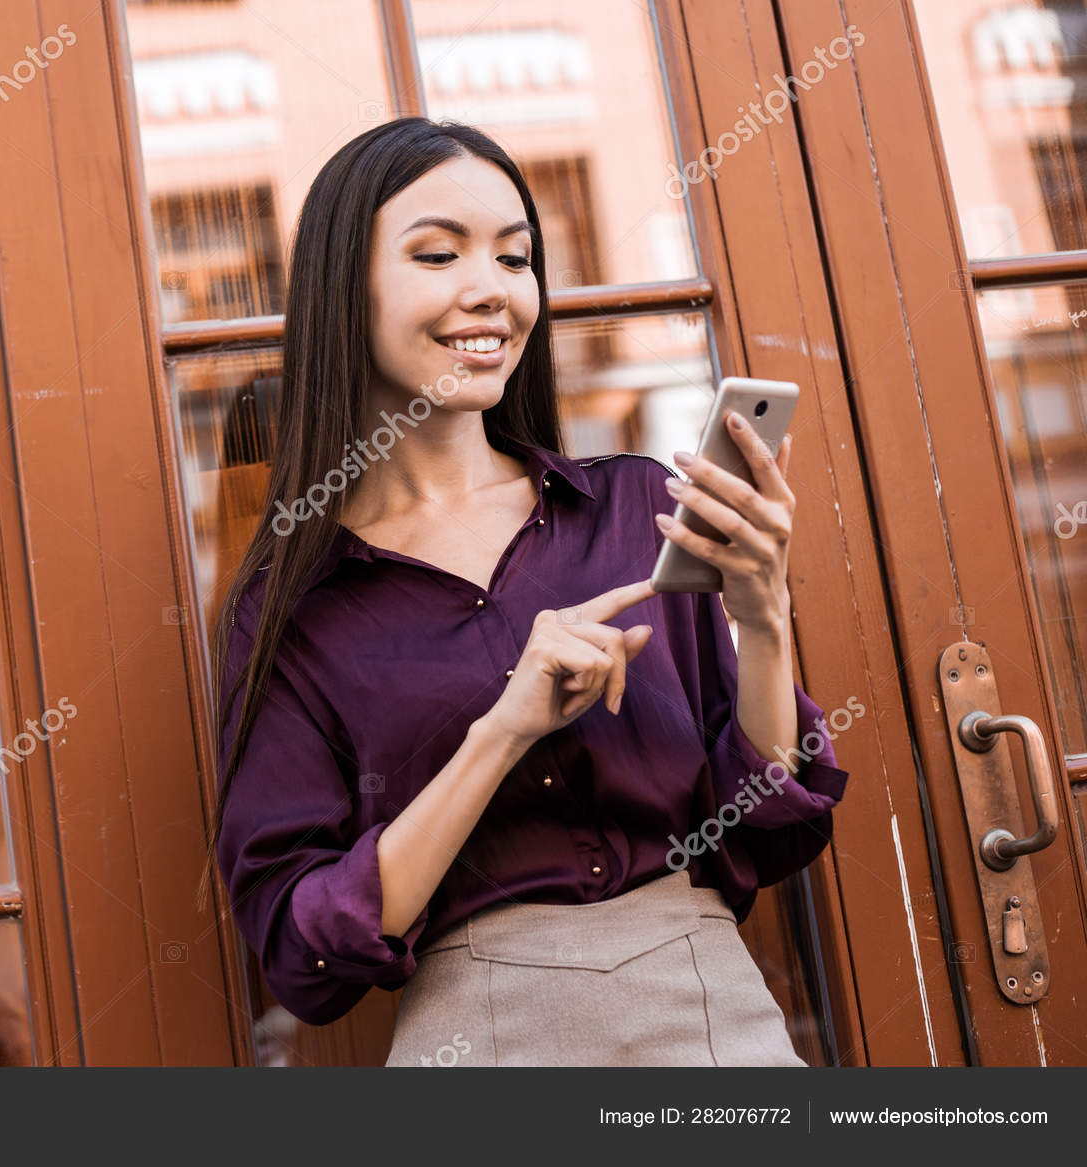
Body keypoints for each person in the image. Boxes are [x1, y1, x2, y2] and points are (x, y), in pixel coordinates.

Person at [199, 117, 850, 1067]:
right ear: (345, 289)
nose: (492, 291)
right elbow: (302, 951)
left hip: (712, 1024)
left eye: (515, 257)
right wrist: (503, 731)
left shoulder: (635, 511)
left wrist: (761, 616)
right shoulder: (295, 610)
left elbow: (767, 824)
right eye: (438, 253)